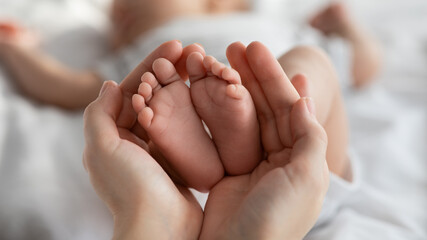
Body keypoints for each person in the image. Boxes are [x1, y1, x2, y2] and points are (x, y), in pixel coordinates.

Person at [83, 40, 330, 239]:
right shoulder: (124, 50)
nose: (120, 9)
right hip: (301, 182)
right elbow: (364, 65)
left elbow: (75, 86)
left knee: (290, 74)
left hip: (238, 100)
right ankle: (246, 143)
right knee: (310, 62)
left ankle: (222, 151)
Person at [0, 1, 380, 110]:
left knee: (307, 64)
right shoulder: (153, 55)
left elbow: (364, 65)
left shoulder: (277, 26)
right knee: (159, 92)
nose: (118, 14)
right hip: (259, 165)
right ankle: (218, 138)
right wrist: (16, 49)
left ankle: (269, 114)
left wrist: (344, 26)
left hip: (306, 139)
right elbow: (69, 87)